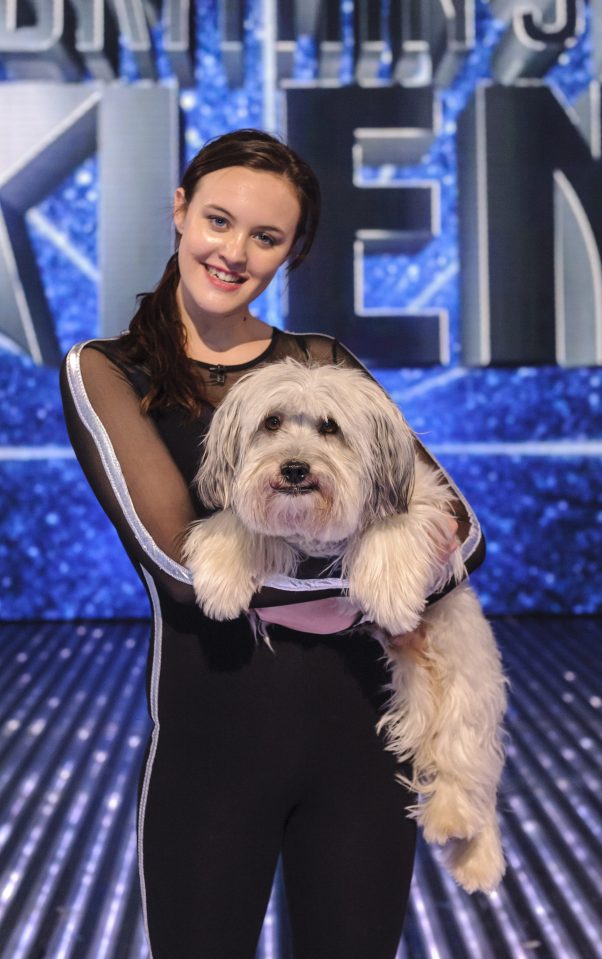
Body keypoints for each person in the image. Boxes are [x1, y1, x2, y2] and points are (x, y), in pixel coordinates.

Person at [60, 129, 485, 959]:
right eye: (218, 220)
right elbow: (186, 567)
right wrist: (369, 583)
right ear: (180, 211)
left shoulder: (322, 362)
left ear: (291, 252)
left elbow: (461, 534)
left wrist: (387, 574)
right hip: (213, 755)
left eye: (266, 237)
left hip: (363, 748)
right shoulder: (109, 371)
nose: (233, 252)